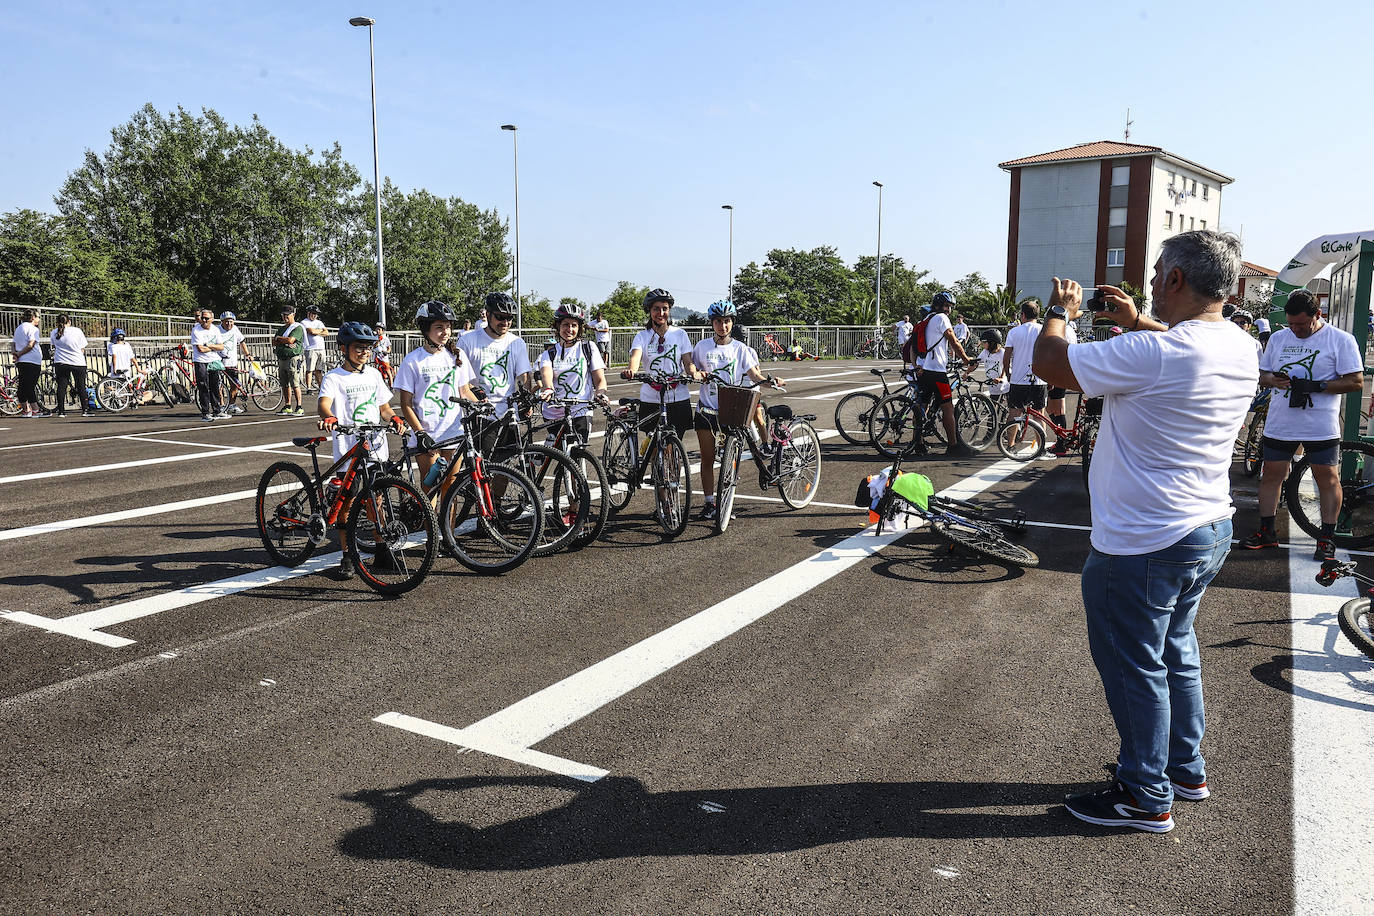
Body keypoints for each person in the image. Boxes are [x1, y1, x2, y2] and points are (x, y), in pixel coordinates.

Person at [1031, 230, 1259, 833]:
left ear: (1178, 279)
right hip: (1207, 526)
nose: (1153, 281)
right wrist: (1138, 321)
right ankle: (1185, 769)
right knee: (1175, 653)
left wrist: (1060, 313)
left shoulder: (1157, 354)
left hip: (1143, 540)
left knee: (1135, 665)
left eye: (1159, 273)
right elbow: (1180, 350)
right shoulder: (1238, 345)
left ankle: (1144, 794)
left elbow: (1048, 363)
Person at [1241, 289, 1363, 560]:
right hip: (1280, 421)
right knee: (1272, 474)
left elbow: (1355, 381)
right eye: (1291, 323)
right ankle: (1266, 532)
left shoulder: (1340, 340)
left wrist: (1318, 385)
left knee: (1327, 479)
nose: (1294, 329)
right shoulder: (1279, 338)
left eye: (1301, 324)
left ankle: (1326, 539)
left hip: (1319, 424)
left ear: (1318, 315)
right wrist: (1273, 380)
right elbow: (1262, 374)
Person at [317, 322, 406, 580]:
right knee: (348, 502)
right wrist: (329, 418)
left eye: (368, 348)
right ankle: (346, 554)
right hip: (349, 449)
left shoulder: (374, 375)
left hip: (376, 448)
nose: (364, 352)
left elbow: (384, 408)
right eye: (358, 348)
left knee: (377, 501)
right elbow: (325, 404)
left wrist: (395, 419)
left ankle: (380, 549)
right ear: (343, 349)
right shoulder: (334, 377)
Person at [689, 300, 777, 521]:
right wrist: (696, 373)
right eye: (718, 321)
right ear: (712, 323)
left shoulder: (740, 349)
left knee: (731, 460)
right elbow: (692, 369)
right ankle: (709, 503)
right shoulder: (701, 347)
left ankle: (727, 499)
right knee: (707, 459)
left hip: (731, 411)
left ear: (732, 323)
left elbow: (754, 376)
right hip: (706, 411)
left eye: (727, 321)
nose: (723, 326)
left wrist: (770, 381)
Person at [393, 301, 476, 497]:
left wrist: (483, 404)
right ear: (425, 329)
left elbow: (464, 390)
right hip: (427, 434)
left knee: (451, 490)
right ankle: (430, 528)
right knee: (431, 489)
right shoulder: (413, 360)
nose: (445, 332)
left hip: (453, 432)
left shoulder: (457, 355)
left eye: (448, 327)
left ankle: (449, 529)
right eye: (439, 327)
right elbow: (406, 404)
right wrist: (420, 433)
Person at [457, 292, 533, 457]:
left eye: (509, 318)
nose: (505, 322)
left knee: (504, 471)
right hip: (480, 415)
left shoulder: (516, 342)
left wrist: (525, 399)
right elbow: (458, 378)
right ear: (488, 314)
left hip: (508, 414)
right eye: (500, 317)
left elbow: (523, 377)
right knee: (484, 472)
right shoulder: (468, 341)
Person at [622, 288, 695, 439]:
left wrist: (694, 373)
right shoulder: (642, 336)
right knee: (655, 444)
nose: (661, 313)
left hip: (678, 396)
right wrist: (631, 370)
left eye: (665, 309)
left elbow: (688, 362)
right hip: (651, 396)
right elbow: (635, 357)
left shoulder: (680, 334)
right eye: (656, 309)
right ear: (649, 310)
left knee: (675, 443)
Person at [536, 303, 608, 438]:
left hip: (581, 410)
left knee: (578, 449)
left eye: (574, 325)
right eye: (565, 324)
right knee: (558, 451)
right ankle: (541, 455)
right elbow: (546, 375)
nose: (569, 329)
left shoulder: (588, 348)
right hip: (554, 412)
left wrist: (601, 394)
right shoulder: (549, 353)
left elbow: (599, 380)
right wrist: (548, 389)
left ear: (579, 328)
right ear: (558, 326)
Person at [916, 290, 973, 457]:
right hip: (937, 371)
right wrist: (965, 358)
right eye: (947, 306)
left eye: (950, 307)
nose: (948, 309)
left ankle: (917, 443)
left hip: (926, 369)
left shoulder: (927, 318)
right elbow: (953, 340)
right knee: (948, 407)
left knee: (922, 406)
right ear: (938, 305)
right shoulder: (941, 318)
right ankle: (953, 445)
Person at [1003, 300, 1046, 434]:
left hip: (1018, 379)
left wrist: (1008, 374)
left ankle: (1009, 445)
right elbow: (1050, 355)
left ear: (1022, 315)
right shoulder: (1044, 330)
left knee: (1014, 414)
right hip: (1039, 379)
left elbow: (1006, 357)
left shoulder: (1014, 332)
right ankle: (1041, 447)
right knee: (1039, 415)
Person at [1045, 315, 1080, 457]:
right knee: (1051, 408)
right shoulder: (1068, 330)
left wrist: (1052, 378)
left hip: (1060, 373)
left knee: (1058, 409)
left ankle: (1062, 443)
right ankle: (1062, 439)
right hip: (1064, 372)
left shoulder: (1063, 330)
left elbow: (1059, 354)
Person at [50, 314, 91, 418]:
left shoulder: (54, 332)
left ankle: (61, 411)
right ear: (69, 321)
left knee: (62, 386)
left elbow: (55, 345)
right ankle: (85, 410)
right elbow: (82, 347)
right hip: (77, 361)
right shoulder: (77, 331)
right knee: (81, 385)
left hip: (61, 361)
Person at [189, 308, 227, 422]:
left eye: (207, 318)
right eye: (203, 318)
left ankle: (217, 410)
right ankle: (205, 412)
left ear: (212, 319)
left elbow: (221, 346)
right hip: (201, 361)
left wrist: (209, 345)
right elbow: (200, 349)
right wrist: (213, 347)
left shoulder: (215, 330)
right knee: (203, 386)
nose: (204, 320)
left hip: (214, 360)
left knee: (215, 386)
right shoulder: (196, 330)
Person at [12, 309, 49, 418]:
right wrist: (19, 353)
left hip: (22, 361)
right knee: (30, 385)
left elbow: (13, 343)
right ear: (33, 318)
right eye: (38, 317)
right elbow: (31, 344)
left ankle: (25, 410)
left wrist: (15, 353)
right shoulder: (33, 329)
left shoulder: (19, 328)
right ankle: (35, 410)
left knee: (23, 385)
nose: (39, 319)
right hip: (32, 360)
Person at [273, 306, 306, 416]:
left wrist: (280, 339)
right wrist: (283, 341)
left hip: (292, 359)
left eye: (287, 314)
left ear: (293, 315)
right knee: (284, 384)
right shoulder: (281, 328)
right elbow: (274, 342)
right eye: (283, 314)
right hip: (282, 358)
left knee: (295, 383)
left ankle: (299, 406)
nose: (285, 316)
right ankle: (288, 406)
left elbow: (291, 340)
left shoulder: (297, 328)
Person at [216, 312, 250, 414]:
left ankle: (231, 404)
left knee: (234, 385)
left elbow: (242, 342)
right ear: (222, 322)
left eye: (231, 322)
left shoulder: (235, 329)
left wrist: (247, 354)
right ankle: (222, 405)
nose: (229, 324)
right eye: (226, 322)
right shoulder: (217, 330)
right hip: (219, 362)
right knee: (219, 385)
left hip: (232, 362)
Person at [969, 329, 1009, 405]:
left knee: (1009, 406)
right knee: (993, 408)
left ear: (992, 343)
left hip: (1004, 386)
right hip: (993, 387)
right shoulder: (985, 352)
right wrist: (967, 372)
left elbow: (1006, 365)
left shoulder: (1002, 352)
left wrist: (1001, 377)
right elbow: (976, 363)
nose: (982, 344)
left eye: (984, 342)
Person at [300, 306, 328, 391]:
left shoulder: (319, 322)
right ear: (308, 313)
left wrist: (317, 331)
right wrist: (320, 331)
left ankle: (321, 387)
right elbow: (311, 331)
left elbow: (326, 333)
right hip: (311, 348)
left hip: (321, 348)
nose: (315, 316)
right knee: (310, 369)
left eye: (316, 314)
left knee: (319, 370)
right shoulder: (304, 322)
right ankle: (309, 388)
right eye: (313, 314)